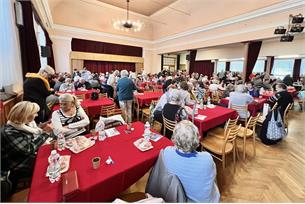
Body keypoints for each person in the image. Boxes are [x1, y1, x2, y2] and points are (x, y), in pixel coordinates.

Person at [1, 101, 52, 199]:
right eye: (34, 113)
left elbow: (32, 132)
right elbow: (29, 149)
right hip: (16, 165)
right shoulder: (9, 132)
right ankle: (43, 194)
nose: (37, 115)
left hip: (24, 156)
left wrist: (42, 126)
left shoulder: (21, 124)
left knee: (51, 155)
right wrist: (46, 133)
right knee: (48, 164)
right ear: (26, 115)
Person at [163, 120, 220, 202]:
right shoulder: (207, 158)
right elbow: (213, 175)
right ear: (197, 138)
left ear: (174, 138)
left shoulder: (167, 152)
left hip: (177, 198)